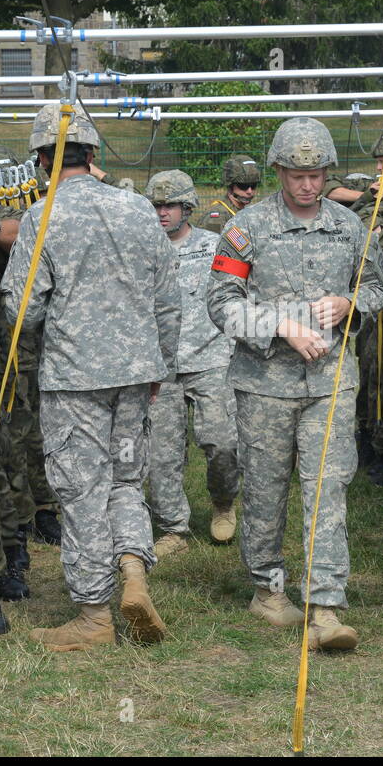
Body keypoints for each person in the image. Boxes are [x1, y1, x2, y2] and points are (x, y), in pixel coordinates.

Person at [2, 106, 180, 652]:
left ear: (40, 160)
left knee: (81, 490)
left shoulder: (41, 215)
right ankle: (132, 569)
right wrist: (159, 366)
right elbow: (168, 299)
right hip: (135, 374)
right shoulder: (138, 210)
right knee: (126, 481)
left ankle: (93, 616)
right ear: (94, 154)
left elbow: (24, 309)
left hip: (74, 377)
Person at [208, 117, 383, 651]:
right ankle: (268, 588)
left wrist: (350, 305)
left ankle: (326, 605)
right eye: (296, 174)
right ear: (279, 172)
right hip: (264, 384)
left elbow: (376, 284)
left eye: (316, 173)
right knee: (265, 490)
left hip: (330, 384)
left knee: (327, 488)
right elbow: (220, 303)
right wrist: (280, 326)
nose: (307, 184)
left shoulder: (350, 226)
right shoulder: (246, 229)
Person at [143, 169, 241, 558]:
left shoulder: (216, 245)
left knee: (222, 443)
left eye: (170, 205)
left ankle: (223, 503)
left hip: (212, 359)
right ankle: (173, 528)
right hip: (160, 366)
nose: (162, 213)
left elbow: (238, 292)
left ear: (187, 208)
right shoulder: (142, 248)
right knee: (161, 454)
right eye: (156, 205)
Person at [200, 156, 260, 234]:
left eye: (253, 185)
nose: (249, 191)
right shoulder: (217, 217)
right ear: (230, 185)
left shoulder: (243, 212)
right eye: (243, 186)